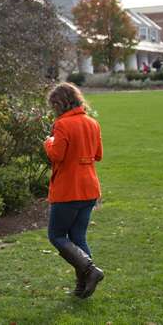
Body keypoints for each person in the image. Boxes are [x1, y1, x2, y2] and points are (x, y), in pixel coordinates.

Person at [44, 82, 105, 299]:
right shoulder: (92, 123)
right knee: (78, 237)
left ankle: (90, 271)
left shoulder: (62, 124)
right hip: (89, 188)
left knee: (56, 235)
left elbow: (56, 155)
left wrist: (48, 142)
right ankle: (82, 287)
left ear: (59, 103)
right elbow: (98, 155)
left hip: (69, 189)